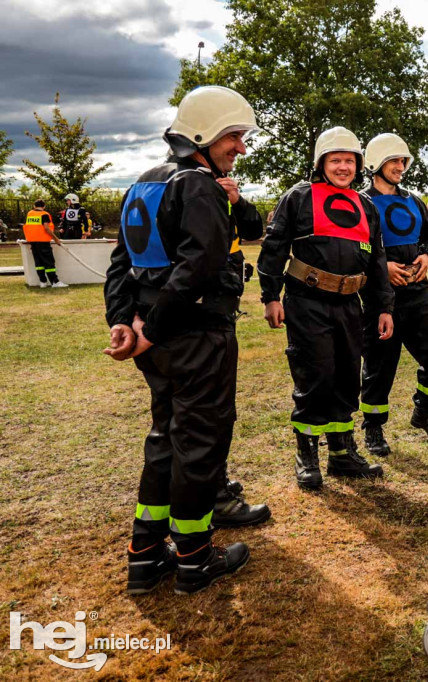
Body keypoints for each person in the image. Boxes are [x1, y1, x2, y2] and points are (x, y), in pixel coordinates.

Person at [104, 85, 270, 595]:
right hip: (196, 337)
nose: (240, 147)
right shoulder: (197, 186)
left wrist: (123, 321)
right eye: (234, 136)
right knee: (198, 445)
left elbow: (120, 264)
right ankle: (196, 559)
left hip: (160, 342)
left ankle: (145, 555)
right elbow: (198, 269)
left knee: (165, 442)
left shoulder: (144, 182)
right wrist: (150, 330)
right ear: (204, 133)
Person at [258, 127, 395, 488]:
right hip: (307, 302)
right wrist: (271, 296)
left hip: (351, 304)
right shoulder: (298, 197)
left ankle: (341, 453)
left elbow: (377, 260)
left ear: (359, 166)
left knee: (348, 377)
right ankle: (307, 454)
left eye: (349, 161)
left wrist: (383, 306)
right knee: (315, 376)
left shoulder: (366, 206)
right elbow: (274, 247)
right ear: (321, 163)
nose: (343, 167)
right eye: (335, 160)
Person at [359, 133, 428, 456]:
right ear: (376, 164)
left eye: (403, 161)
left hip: (417, 293)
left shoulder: (414, 201)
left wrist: (427, 256)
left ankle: (423, 409)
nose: (400, 166)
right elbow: (354, 247)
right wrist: (382, 270)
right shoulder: (360, 202)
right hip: (379, 298)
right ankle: (373, 427)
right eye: (394, 161)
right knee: (379, 365)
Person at [23, 199, 68, 288]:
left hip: (33, 241)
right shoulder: (44, 214)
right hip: (43, 241)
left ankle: (43, 282)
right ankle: (54, 282)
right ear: (44, 206)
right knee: (49, 262)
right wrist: (56, 239)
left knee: (39, 263)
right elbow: (47, 228)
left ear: (34, 206)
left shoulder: (30, 213)